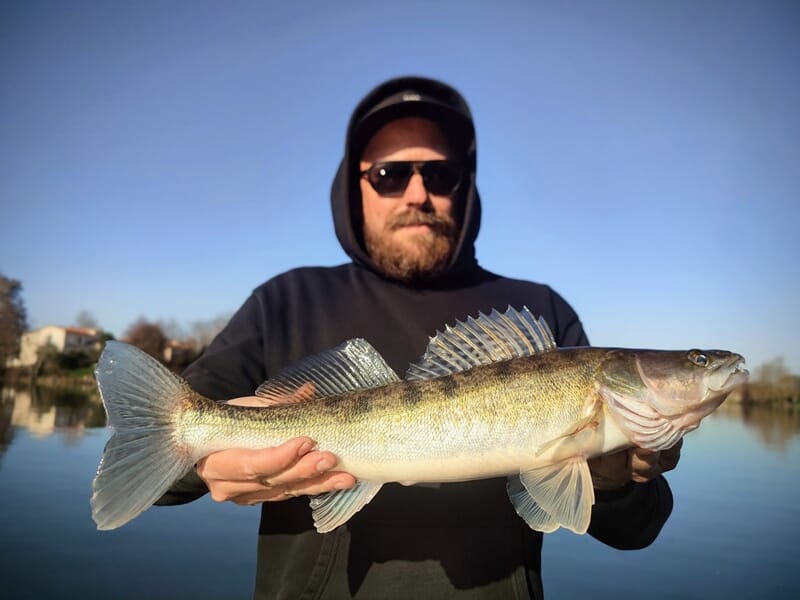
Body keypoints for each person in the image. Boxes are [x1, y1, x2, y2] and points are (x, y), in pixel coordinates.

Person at [158, 76, 679, 599]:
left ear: (466, 186)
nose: (417, 193)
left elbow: (637, 529)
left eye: (441, 173)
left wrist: (616, 483)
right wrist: (202, 463)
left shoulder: (543, 313)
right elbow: (158, 466)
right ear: (352, 186)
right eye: (388, 175)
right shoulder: (286, 300)